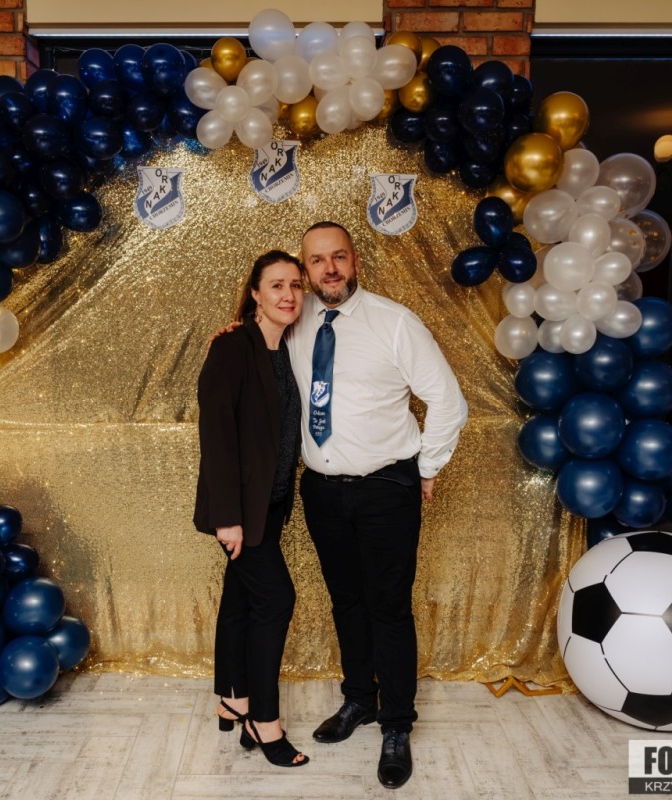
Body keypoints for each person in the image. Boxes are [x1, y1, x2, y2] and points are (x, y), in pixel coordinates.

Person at [292, 221, 468, 789]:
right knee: (346, 601)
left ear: (356, 261)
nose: (329, 269)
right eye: (317, 261)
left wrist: (428, 466)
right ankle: (358, 700)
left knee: (388, 606)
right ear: (305, 269)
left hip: (385, 487)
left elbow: (447, 400)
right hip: (322, 489)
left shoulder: (395, 322)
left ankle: (396, 724)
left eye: (338, 257)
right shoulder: (293, 320)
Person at [193, 250, 309, 768]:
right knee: (276, 599)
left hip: (274, 503)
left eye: (296, 285)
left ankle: (233, 698)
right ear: (256, 293)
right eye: (277, 285)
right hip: (240, 510)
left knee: (241, 598)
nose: (288, 294)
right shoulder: (231, 347)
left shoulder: (288, 348)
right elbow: (217, 436)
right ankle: (264, 720)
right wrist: (228, 518)